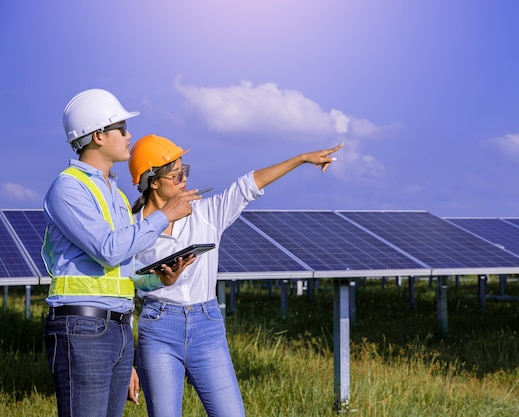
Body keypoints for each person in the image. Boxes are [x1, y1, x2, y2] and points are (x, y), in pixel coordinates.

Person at [128, 134, 344, 417]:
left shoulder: (205, 213)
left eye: (185, 170)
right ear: (153, 181)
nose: (184, 178)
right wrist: (127, 362)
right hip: (157, 329)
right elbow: (125, 287)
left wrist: (301, 159)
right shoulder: (132, 229)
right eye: (176, 174)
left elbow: (248, 185)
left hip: (207, 327)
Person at [42, 89, 200, 417]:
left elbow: (122, 274)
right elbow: (109, 251)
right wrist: (165, 214)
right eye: (122, 128)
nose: (130, 136)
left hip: (117, 329)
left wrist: (158, 279)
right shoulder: (68, 187)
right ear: (98, 135)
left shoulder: (114, 193)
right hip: (82, 329)